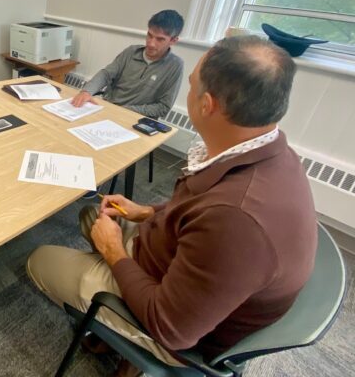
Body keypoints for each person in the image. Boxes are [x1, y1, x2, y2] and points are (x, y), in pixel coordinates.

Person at [27, 36, 317, 375]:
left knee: (39, 260)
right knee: (92, 215)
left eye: (191, 85)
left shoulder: (237, 221)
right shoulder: (268, 152)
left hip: (174, 331)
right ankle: (113, 325)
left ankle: (125, 339)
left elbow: (170, 329)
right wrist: (149, 211)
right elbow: (198, 209)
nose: (188, 91)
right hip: (171, 263)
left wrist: (113, 252)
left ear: (206, 104)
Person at [71, 10, 185, 119]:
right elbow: (106, 74)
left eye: (160, 39)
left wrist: (123, 110)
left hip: (135, 118)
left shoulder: (175, 66)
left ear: (173, 41)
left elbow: (163, 107)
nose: (151, 43)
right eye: (149, 35)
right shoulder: (131, 52)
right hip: (108, 108)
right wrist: (86, 92)